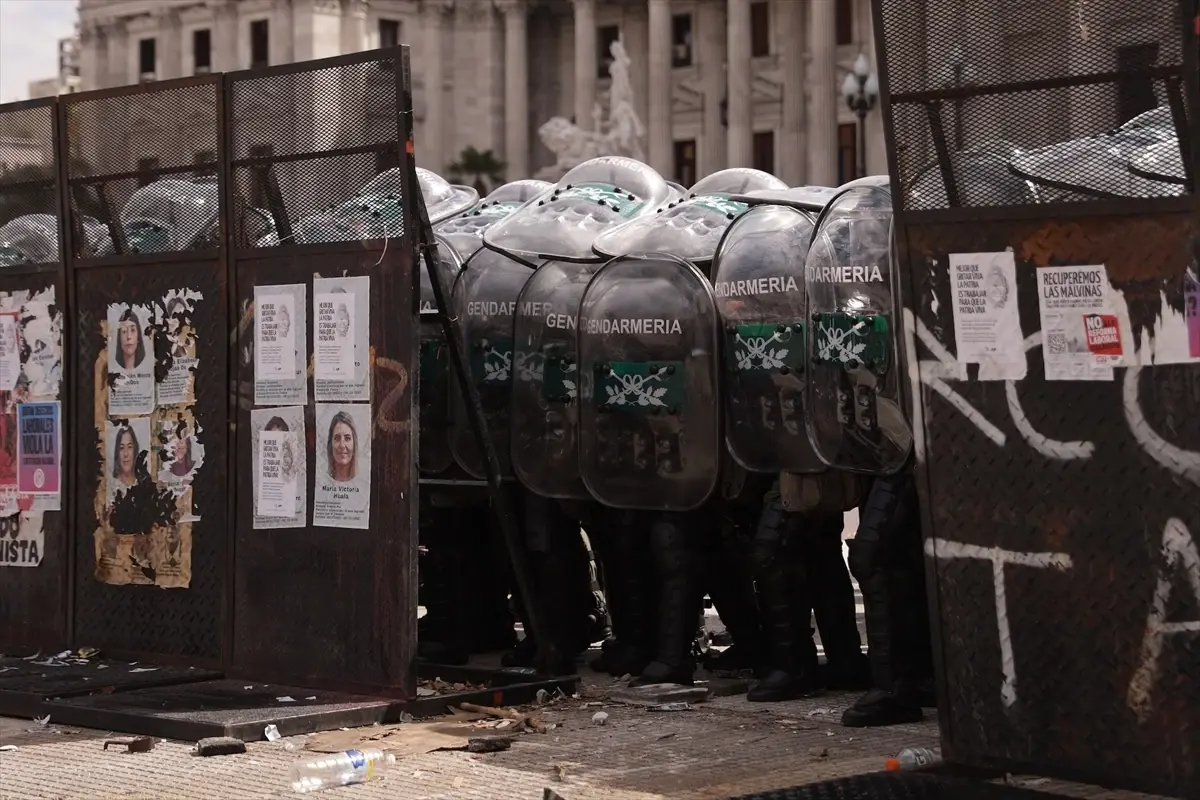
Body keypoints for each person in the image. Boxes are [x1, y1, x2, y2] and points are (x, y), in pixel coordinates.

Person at [327, 410, 357, 482]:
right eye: (337, 438)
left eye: (347, 438)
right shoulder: (322, 481)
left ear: (354, 443)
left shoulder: (363, 482)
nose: (342, 445)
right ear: (331, 443)